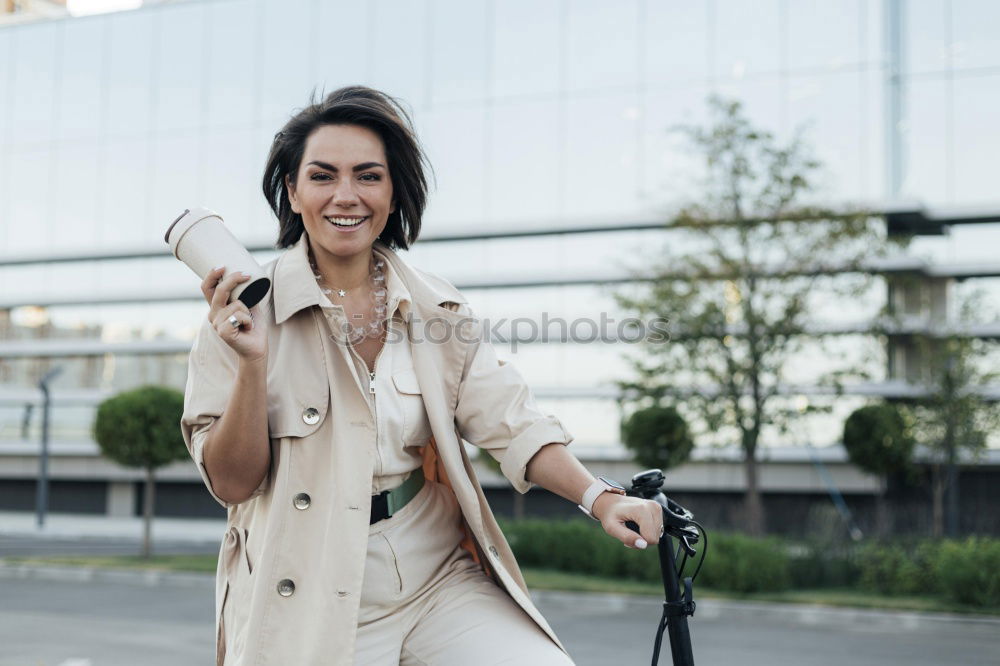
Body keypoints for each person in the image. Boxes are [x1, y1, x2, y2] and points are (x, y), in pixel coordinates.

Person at [180, 85, 664, 666]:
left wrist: (600, 498)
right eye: (323, 175)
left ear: (392, 192)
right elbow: (232, 484)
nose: (346, 196)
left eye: (368, 175)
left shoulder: (437, 308)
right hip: (311, 590)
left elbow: (511, 421)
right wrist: (253, 364)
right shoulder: (239, 320)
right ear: (293, 191)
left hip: (436, 574)